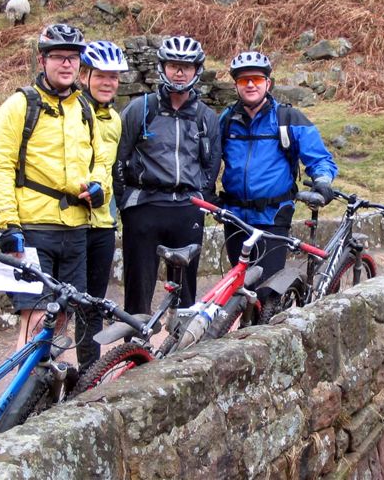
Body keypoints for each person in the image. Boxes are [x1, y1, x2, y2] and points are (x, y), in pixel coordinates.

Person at [0, 24, 111, 362]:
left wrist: (99, 187)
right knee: (36, 320)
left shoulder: (83, 109)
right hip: (32, 230)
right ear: (43, 60)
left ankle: (49, 389)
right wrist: (7, 224)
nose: (67, 64)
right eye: (58, 57)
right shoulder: (20, 105)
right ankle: (22, 394)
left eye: (73, 57)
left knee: (63, 321)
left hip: (75, 230)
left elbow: (100, 161)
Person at [114, 35, 221, 316]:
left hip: (187, 209)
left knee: (185, 295)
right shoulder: (141, 109)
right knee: (138, 292)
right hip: (144, 207)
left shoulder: (206, 117)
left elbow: (211, 165)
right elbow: (119, 158)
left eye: (186, 67)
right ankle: (135, 342)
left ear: (197, 70)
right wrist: (125, 203)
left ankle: (181, 341)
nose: (180, 72)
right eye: (174, 66)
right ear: (162, 67)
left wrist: (198, 197)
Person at [219, 51, 338, 291]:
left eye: (256, 79)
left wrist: (323, 181)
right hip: (235, 217)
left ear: (268, 83)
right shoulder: (227, 119)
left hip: (273, 217)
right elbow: (210, 158)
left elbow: (319, 158)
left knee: (266, 291)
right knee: (238, 289)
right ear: (236, 86)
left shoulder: (287, 118)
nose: (250, 84)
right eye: (243, 80)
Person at [76, 40, 128, 373]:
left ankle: (88, 374)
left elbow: (112, 169)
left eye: (114, 77)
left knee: (93, 304)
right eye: (101, 76)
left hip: (103, 224)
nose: (108, 83)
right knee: (63, 305)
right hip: (71, 222)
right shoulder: (72, 114)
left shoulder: (116, 120)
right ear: (84, 76)